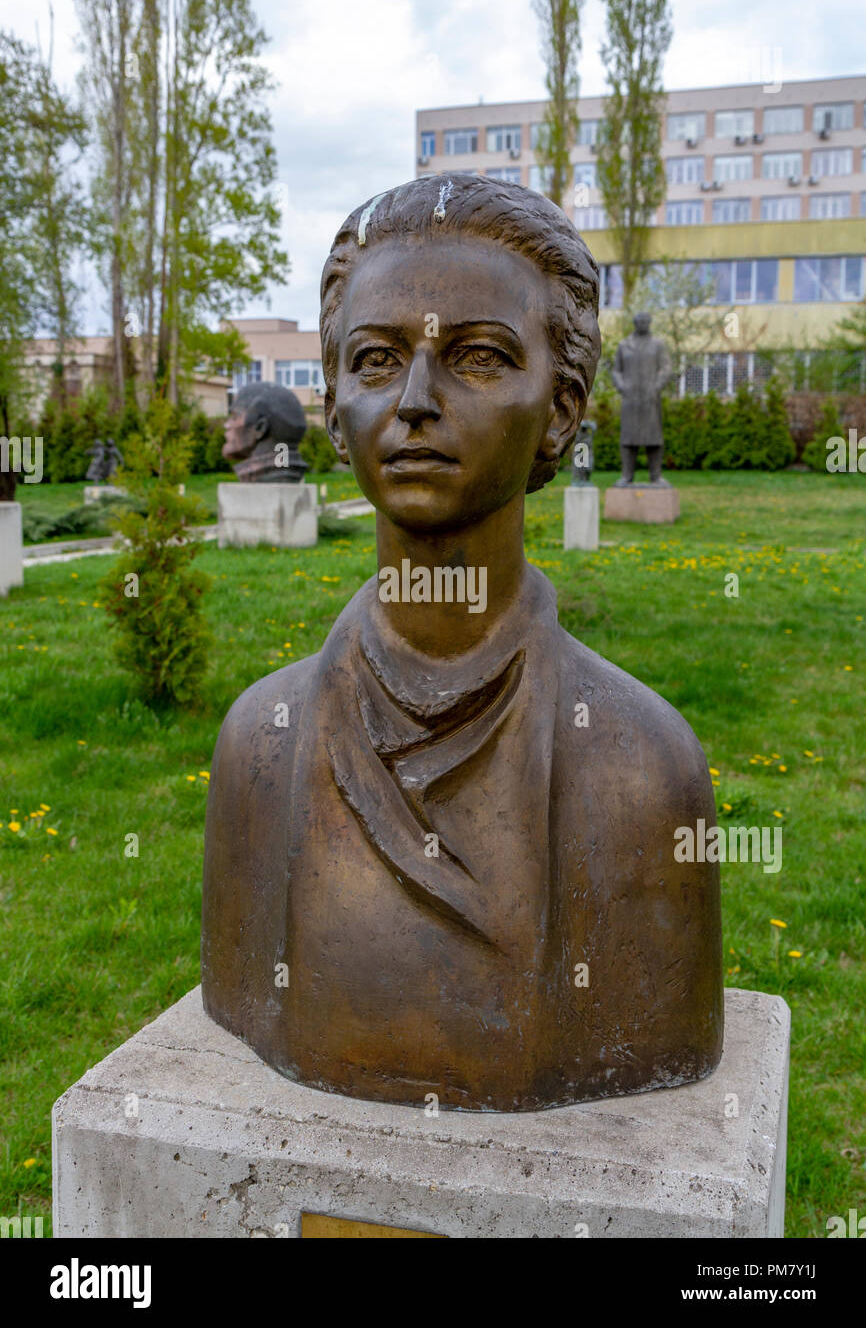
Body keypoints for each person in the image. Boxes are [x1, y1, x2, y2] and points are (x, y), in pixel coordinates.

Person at [201, 173, 722, 1111]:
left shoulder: (646, 771)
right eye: (372, 360)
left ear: (560, 408)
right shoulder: (257, 747)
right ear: (330, 404)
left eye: (476, 359)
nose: (413, 401)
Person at [611, 312, 673, 485]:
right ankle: (626, 476)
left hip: (650, 399)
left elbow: (666, 368)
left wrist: (656, 387)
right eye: (641, 321)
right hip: (630, 400)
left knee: (653, 439)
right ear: (635, 323)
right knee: (628, 439)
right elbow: (616, 370)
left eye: (647, 321)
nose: (644, 324)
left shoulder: (657, 345)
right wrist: (622, 386)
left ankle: (656, 476)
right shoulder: (624, 345)